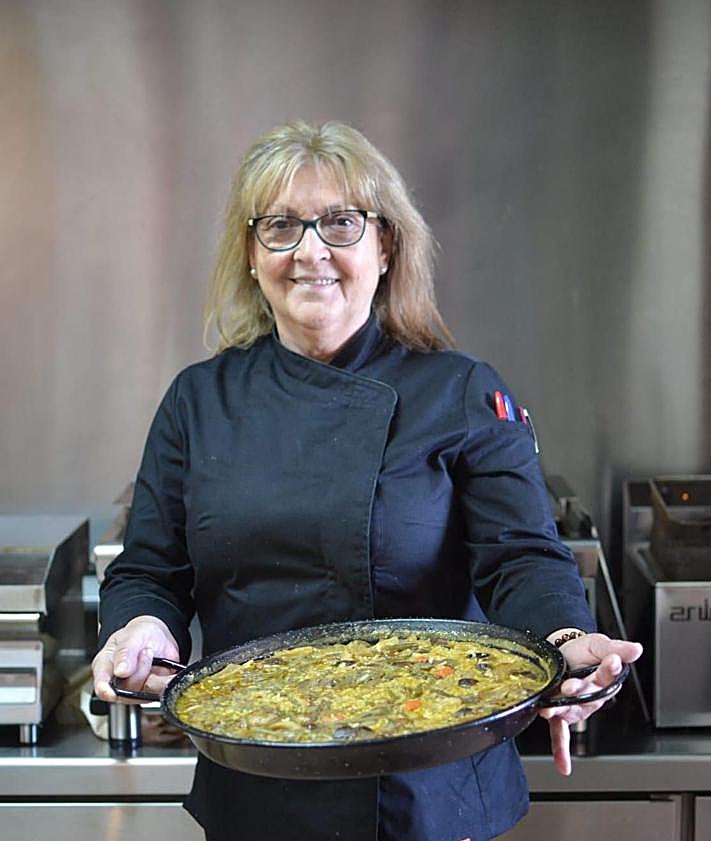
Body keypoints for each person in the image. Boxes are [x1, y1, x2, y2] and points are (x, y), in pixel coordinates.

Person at [92, 119, 642, 841]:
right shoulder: (199, 402)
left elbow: (521, 556)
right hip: (258, 787)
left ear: (384, 246)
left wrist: (565, 637)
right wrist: (139, 626)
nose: (309, 250)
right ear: (251, 255)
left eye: (340, 223)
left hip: (430, 794)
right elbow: (149, 570)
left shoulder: (462, 391)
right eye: (281, 226)